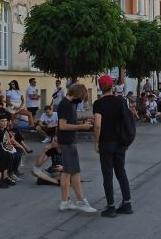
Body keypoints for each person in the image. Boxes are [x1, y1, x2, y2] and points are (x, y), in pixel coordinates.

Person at [93, 75, 134, 218]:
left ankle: (110, 207)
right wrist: (126, 141)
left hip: (106, 143)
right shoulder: (121, 101)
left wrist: (96, 142)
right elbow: (126, 121)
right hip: (120, 142)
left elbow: (97, 125)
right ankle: (127, 204)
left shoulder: (98, 104)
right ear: (112, 86)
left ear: (100, 86)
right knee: (121, 172)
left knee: (107, 175)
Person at [57, 83, 96, 213]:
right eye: (82, 97)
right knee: (72, 172)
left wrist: (83, 122)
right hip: (67, 142)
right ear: (77, 93)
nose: (81, 100)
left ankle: (65, 201)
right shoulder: (65, 105)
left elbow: (70, 122)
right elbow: (62, 126)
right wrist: (81, 127)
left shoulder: (70, 104)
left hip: (69, 141)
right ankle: (80, 201)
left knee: (68, 172)